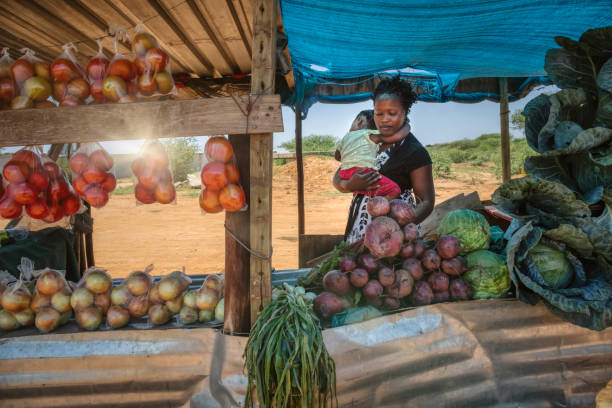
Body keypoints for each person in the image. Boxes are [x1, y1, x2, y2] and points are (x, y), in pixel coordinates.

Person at [333, 76, 435, 243]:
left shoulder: (414, 151)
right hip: (360, 228)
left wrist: (397, 224)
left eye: (392, 113)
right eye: (379, 113)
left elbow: (426, 202)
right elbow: (338, 176)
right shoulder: (366, 139)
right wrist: (348, 185)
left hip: (393, 236)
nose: (384, 119)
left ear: (405, 112)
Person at [334, 109, 407, 199]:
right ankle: (379, 208)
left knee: (364, 190)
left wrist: (350, 158)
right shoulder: (371, 135)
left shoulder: (346, 137)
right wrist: (406, 127)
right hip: (364, 173)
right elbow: (395, 137)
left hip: (344, 174)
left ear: (359, 121)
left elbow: (337, 156)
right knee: (395, 190)